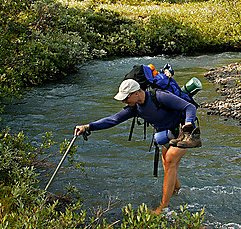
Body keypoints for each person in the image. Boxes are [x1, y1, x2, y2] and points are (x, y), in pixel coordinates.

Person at [74, 78, 200, 214]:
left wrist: (188, 123)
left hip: (185, 132)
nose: (123, 102)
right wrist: (88, 127)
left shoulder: (159, 96)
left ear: (136, 93)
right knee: (166, 163)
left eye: (125, 98)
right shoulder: (135, 108)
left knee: (170, 160)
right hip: (167, 135)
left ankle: (163, 207)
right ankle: (177, 192)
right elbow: (113, 120)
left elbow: (189, 107)